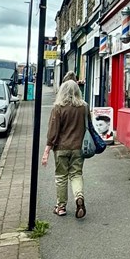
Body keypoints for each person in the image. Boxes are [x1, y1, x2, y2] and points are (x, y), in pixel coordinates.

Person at [42, 79, 88, 218]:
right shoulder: (84, 107)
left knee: (61, 176)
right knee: (76, 174)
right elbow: (88, 126)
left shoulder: (58, 108)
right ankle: (79, 197)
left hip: (61, 148)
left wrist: (47, 151)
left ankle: (61, 207)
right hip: (78, 147)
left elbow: (53, 131)